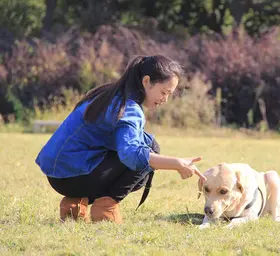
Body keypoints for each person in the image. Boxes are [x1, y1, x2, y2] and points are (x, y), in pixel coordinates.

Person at [35, 55, 206, 224]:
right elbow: (132, 155)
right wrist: (177, 163)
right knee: (148, 152)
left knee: (150, 145)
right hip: (73, 176)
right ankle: (105, 207)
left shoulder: (108, 93)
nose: (165, 99)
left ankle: (74, 204)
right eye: (164, 92)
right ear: (146, 81)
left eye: (170, 94)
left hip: (56, 174)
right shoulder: (129, 108)